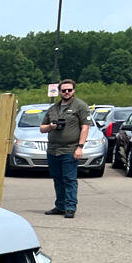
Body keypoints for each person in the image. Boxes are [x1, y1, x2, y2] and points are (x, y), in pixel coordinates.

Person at [40, 79, 90, 218]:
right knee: (58, 179)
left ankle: (70, 207)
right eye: (64, 90)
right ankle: (60, 206)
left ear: (74, 91)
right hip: (53, 150)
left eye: (69, 90)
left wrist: (80, 147)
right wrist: (51, 126)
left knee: (69, 179)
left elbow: (85, 127)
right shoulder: (53, 108)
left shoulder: (80, 106)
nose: (67, 92)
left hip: (70, 149)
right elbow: (42, 128)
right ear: (59, 92)